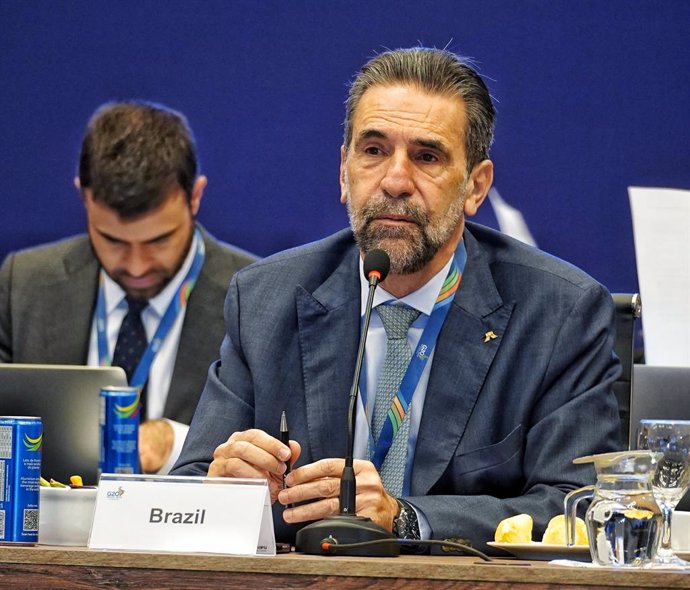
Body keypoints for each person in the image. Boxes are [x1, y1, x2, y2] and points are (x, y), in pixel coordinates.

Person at [172, 48, 621, 551]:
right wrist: (222, 488)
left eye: (427, 157)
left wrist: (406, 517)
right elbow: (188, 484)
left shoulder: (560, 313)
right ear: (344, 172)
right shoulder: (264, 299)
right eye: (374, 151)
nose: (395, 181)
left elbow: (579, 505)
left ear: (476, 187)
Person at [0, 101, 256, 474]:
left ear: (196, 197)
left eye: (159, 241)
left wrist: (173, 442)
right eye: (113, 241)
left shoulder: (257, 295)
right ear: (83, 196)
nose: (136, 266)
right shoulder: (24, 283)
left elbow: (279, 443)